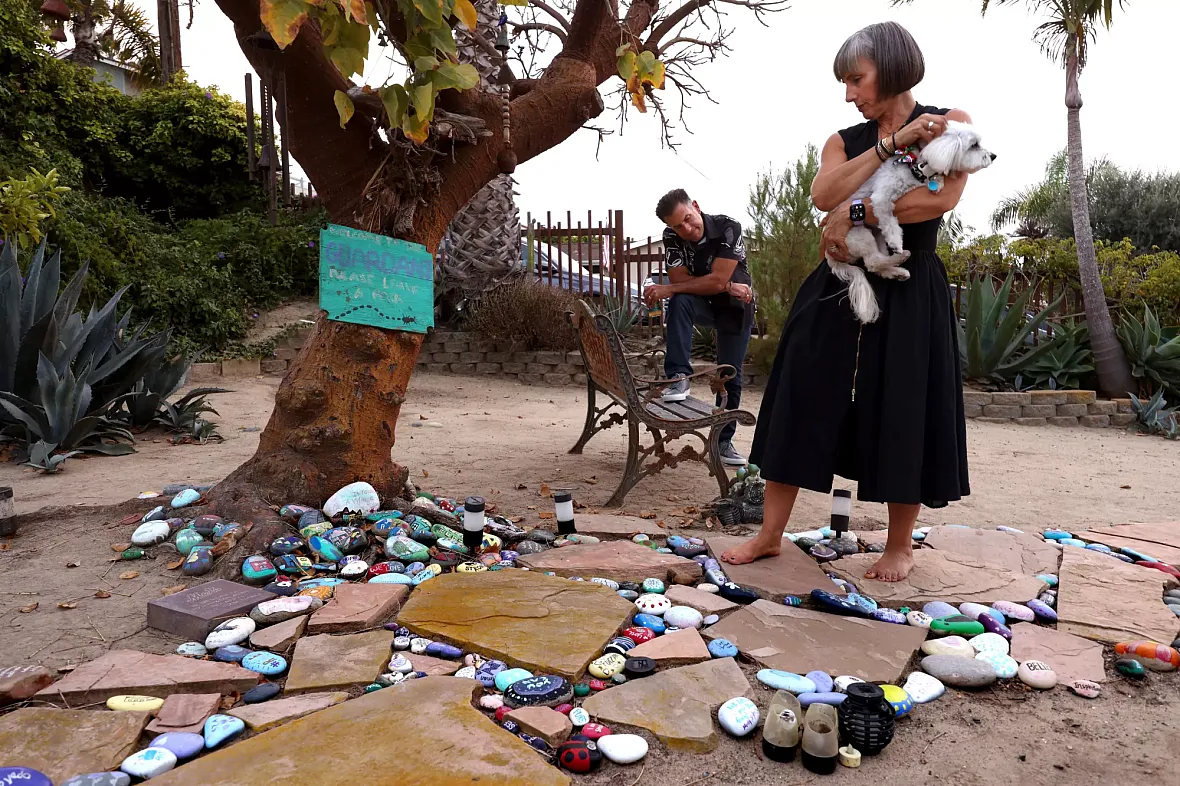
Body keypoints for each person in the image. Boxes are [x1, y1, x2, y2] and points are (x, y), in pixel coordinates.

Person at [720, 21, 971, 581]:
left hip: (909, 280)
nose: (849, 93)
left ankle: (898, 544)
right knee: (800, 392)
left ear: (894, 67)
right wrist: (892, 147)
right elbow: (821, 195)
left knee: (902, 402)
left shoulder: (951, 124)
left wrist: (853, 213)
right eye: (845, 82)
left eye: (857, 79)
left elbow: (940, 199)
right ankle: (769, 535)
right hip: (837, 280)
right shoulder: (845, 141)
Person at [645, 191, 756, 467]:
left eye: (688, 219)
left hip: (735, 306)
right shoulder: (671, 238)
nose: (686, 230)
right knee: (681, 300)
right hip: (702, 303)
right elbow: (681, 279)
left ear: (695, 206)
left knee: (729, 373)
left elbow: (717, 281)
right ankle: (679, 376)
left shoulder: (729, 227)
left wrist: (723, 285)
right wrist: (715, 284)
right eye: (677, 227)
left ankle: (723, 442)